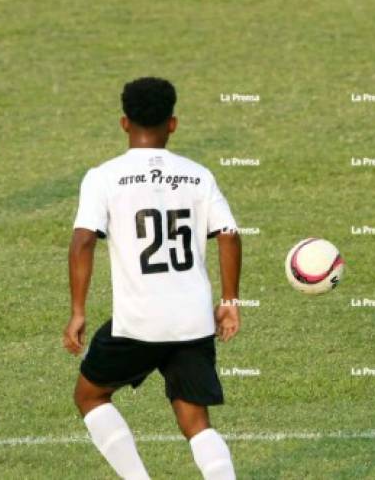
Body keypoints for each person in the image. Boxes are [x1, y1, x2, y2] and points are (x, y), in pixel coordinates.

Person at [63, 77, 242, 479]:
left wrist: (77, 311)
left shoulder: (104, 177)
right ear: (173, 124)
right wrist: (230, 302)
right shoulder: (198, 176)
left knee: (90, 395)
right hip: (193, 320)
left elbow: (83, 241)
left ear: (125, 122)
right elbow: (229, 235)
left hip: (138, 322)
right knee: (195, 421)